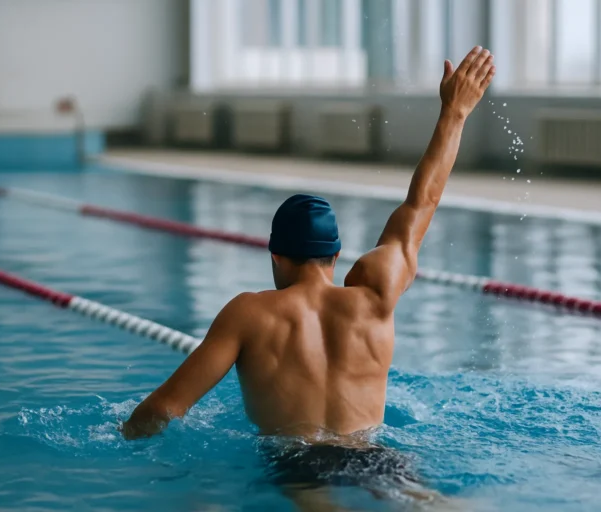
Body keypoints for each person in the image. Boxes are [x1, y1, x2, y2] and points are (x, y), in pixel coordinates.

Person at [122, 46, 495, 508]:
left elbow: (164, 409)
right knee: (430, 503)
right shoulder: (375, 295)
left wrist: (119, 439)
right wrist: (454, 113)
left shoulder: (250, 313)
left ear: (276, 256)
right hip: (373, 454)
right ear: (335, 255)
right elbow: (422, 203)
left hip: (298, 460)